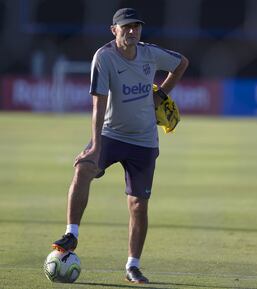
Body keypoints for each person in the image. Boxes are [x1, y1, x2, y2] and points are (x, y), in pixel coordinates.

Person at [51, 7, 188, 284]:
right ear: (114, 30)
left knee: (138, 205)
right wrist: (95, 145)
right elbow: (97, 104)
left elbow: (181, 62)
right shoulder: (104, 57)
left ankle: (132, 266)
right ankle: (72, 233)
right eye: (125, 27)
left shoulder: (150, 53)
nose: (131, 31)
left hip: (144, 141)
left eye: (136, 26)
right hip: (111, 134)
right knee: (82, 169)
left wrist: (160, 95)